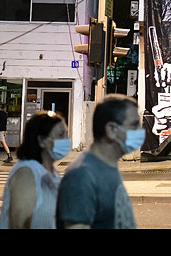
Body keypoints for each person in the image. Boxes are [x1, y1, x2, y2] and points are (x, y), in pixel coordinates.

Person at [57, 95, 143, 229]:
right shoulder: (82, 175)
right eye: (134, 125)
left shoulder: (108, 166)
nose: (140, 131)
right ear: (112, 130)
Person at [0, 111, 70, 229]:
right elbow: (18, 224)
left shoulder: (53, 172)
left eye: (66, 134)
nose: (66, 140)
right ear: (42, 140)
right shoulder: (27, 173)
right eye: (61, 135)